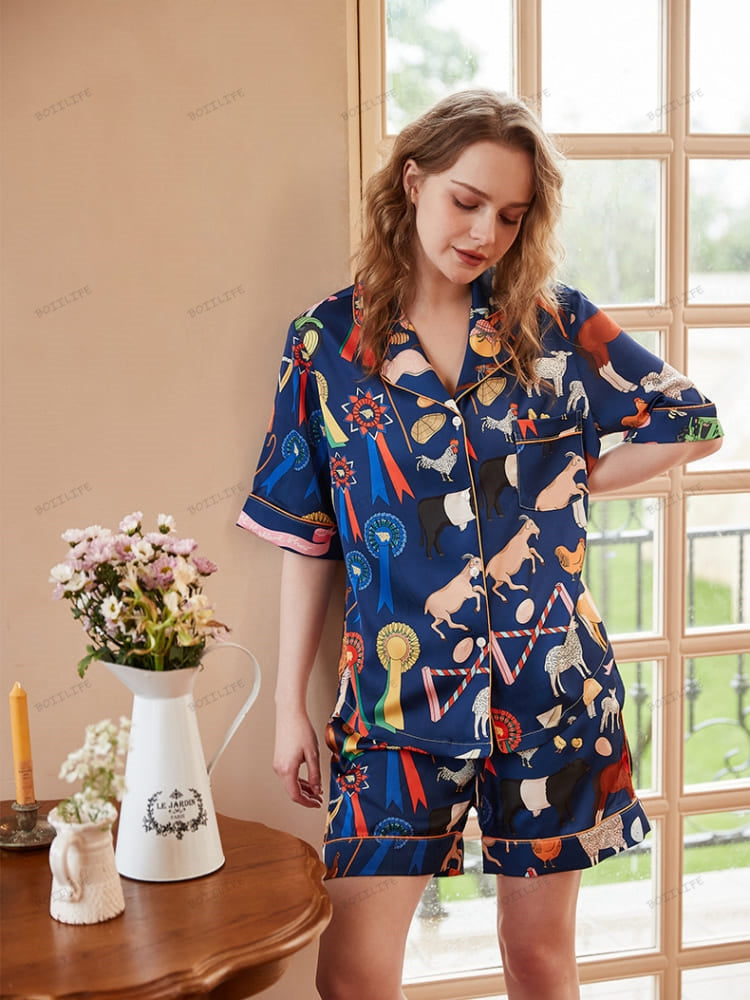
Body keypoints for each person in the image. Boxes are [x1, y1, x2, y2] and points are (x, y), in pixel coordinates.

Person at [237, 89, 723, 1000]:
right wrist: (288, 709)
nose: (484, 233)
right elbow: (308, 535)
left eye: (510, 215)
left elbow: (692, 421)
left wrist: (571, 475)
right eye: (466, 201)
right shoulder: (327, 343)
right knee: (352, 978)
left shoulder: (554, 323)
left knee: (539, 962)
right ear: (412, 182)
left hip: (553, 692)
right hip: (394, 703)